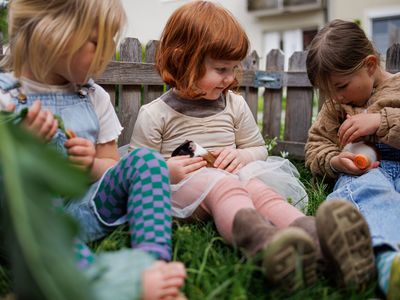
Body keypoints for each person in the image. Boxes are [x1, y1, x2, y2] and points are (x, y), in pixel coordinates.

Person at [129, 1, 373, 293]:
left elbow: (257, 149)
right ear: (183, 61)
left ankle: (321, 243)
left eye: (233, 68)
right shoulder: (156, 114)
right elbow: (136, 171)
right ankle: (265, 244)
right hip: (183, 192)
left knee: (261, 191)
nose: (231, 78)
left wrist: (241, 155)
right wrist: (167, 169)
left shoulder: (233, 104)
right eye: (221, 69)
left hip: (234, 179)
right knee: (222, 186)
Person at [0, 0, 186, 299]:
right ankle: (93, 280)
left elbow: (110, 161)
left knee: (148, 161)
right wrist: (18, 143)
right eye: (96, 41)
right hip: (28, 224)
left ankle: (151, 262)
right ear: (50, 32)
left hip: (82, 211)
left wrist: (90, 165)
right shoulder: (5, 95)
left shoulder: (92, 95)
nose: (107, 51)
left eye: (110, 40)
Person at [305, 19, 400, 297]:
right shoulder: (336, 106)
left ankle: (358, 254)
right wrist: (335, 161)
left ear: (369, 65)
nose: (335, 96)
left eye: (341, 86)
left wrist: (380, 123)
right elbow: (316, 146)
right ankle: (387, 261)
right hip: (365, 174)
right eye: (328, 91)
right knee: (364, 192)